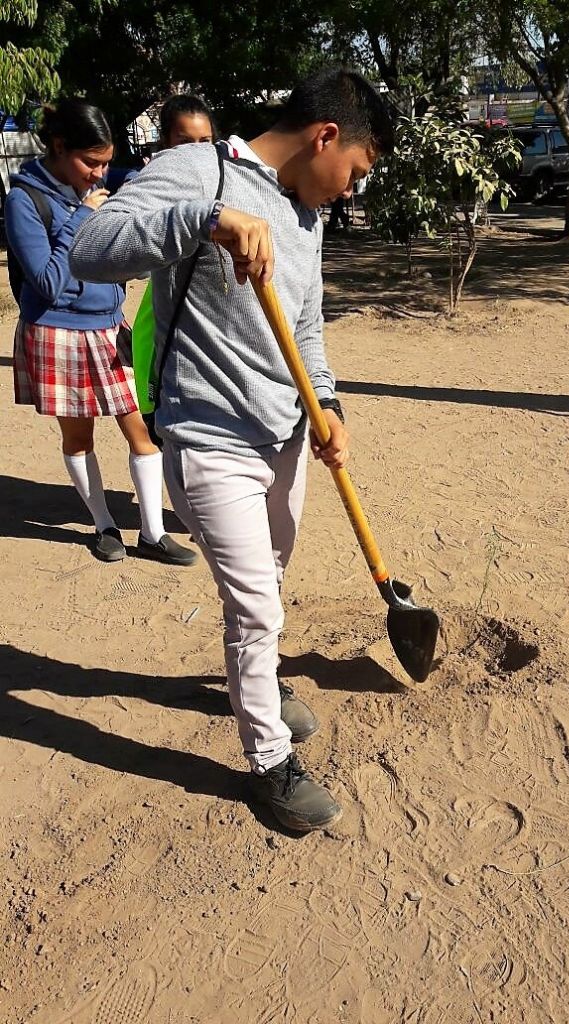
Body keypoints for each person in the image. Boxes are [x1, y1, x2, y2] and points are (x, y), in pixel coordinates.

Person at [70, 69, 394, 832]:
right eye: (356, 171)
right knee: (254, 607)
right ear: (325, 137)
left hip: (284, 438)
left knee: (267, 590)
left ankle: (263, 680)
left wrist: (328, 405)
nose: (351, 190)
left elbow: (306, 330)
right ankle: (271, 765)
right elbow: (90, 247)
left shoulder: (307, 216)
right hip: (209, 438)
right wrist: (206, 220)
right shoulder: (199, 169)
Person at [4, 98, 197, 567]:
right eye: (91, 162)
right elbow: (47, 281)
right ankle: (104, 525)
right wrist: (84, 217)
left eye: (106, 163)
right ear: (58, 147)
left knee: (142, 431)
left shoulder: (95, 186)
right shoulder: (23, 201)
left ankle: (152, 533)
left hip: (110, 329)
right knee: (79, 438)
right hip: (58, 334)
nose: (99, 173)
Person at [132, 94, 217, 442]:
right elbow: (136, 265)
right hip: (165, 315)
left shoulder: (224, 184)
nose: (196, 151)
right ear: (166, 143)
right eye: (184, 142)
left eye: (205, 141)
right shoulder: (151, 189)